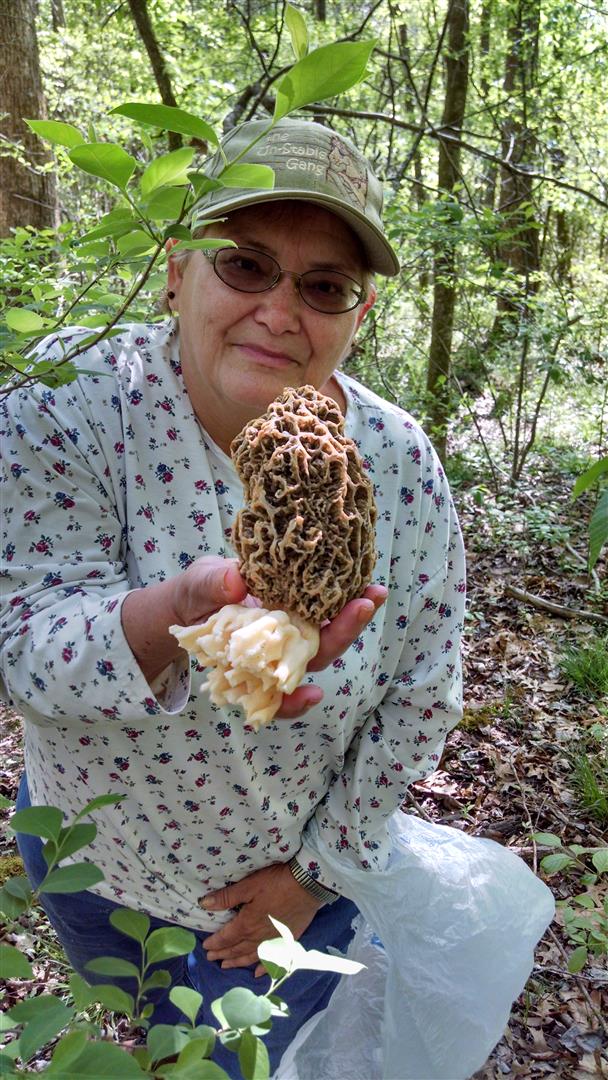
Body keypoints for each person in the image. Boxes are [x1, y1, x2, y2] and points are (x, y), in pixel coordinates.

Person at [1, 118, 465, 1075]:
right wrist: (174, 614)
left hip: (289, 884)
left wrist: (312, 876)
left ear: (356, 314)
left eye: (324, 285)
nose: (281, 310)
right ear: (179, 270)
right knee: (146, 1044)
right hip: (93, 858)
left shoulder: (400, 464)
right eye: (246, 265)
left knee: (252, 1061)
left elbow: (423, 689)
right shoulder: (67, 401)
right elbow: (21, 641)